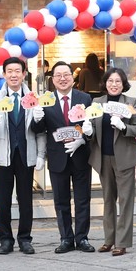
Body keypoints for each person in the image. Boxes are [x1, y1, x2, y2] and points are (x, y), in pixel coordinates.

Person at [0, 57, 46, 255]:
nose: (14, 75)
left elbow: (41, 131)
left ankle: (25, 239)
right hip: (3, 156)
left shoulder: (34, 98)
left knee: (26, 200)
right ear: (4, 74)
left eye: (18, 71)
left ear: (24, 74)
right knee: (3, 201)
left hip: (26, 155)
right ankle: (6, 240)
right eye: (10, 71)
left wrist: (41, 154)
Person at [30, 61, 94, 253]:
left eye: (66, 74)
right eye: (58, 75)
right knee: (61, 201)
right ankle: (66, 238)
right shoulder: (46, 100)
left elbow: (91, 127)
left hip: (80, 155)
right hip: (58, 157)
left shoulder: (85, 98)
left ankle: (82, 238)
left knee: (83, 200)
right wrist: (37, 118)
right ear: (53, 79)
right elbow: (38, 130)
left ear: (72, 77)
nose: (63, 78)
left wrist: (83, 138)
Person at [89, 67, 136, 256]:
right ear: (105, 83)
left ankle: (122, 242)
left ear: (123, 84)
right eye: (110, 81)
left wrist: (123, 127)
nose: (114, 84)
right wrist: (87, 130)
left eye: (118, 81)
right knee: (107, 200)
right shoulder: (97, 102)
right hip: (103, 157)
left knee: (125, 201)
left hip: (124, 158)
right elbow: (92, 128)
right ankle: (109, 240)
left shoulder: (131, 102)